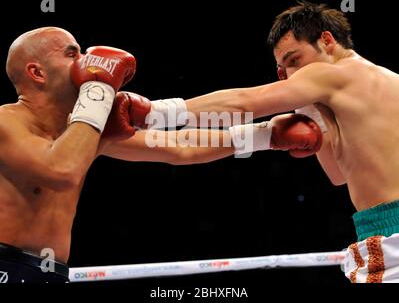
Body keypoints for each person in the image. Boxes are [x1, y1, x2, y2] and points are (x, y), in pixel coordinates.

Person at [0, 27, 322, 283]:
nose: (86, 61)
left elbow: (177, 146)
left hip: (52, 273)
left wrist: (266, 135)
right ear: (37, 73)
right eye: (72, 54)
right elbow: (61, 171)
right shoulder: (5, 122)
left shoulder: (83, 131)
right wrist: (97, 92)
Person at [138, 1, 399, 283]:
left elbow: (244, 103)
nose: (291, 75)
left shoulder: (333, 73)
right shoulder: (385, 80)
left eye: (295, 60)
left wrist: (155, 113)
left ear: (327, 40)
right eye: (283, 68)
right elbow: (338, 174)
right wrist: (310, 109)